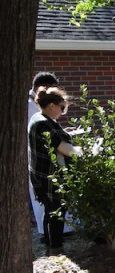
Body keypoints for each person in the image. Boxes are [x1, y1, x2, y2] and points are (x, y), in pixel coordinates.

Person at [29, 87, 77, 255]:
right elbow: (65, 149)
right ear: (51, 105)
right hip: (48, 173)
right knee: (57, 209)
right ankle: (56, 249)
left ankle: (51, 248)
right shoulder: (43, 122)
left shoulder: (38, 118)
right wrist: (83, 152)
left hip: (41, 172)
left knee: (50, 209)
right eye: (62, 107)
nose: (63, 112)